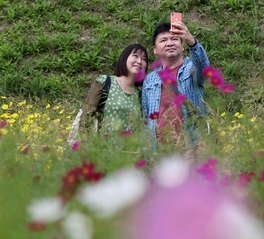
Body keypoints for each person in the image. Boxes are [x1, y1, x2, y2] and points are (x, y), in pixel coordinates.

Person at [141, 20, 211, 148]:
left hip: (191, 146)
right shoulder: (150, 80)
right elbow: (146, 118)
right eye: (163, 40)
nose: (169, 43)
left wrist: (192, 42)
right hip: (160, 149)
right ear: (155, 50)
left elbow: (205, 70)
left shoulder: (191, 69)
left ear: (182, 45)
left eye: (174, 39)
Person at [68, 43, 148, 145]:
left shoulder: (140, 94)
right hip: (101, 151)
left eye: (144, 59)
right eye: (135, 56)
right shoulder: (106, 82)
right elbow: (86, 117)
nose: (139, 61)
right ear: (124, 58)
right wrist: (86, 146)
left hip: (127, 154)